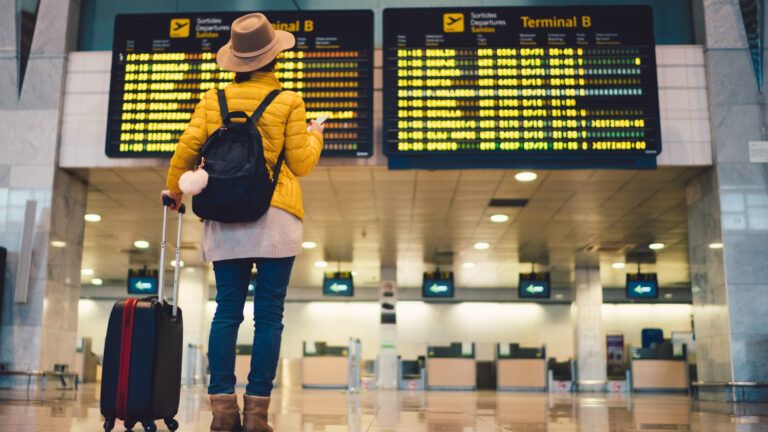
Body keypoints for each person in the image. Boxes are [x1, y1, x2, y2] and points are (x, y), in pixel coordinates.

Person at [162, 13, 323, 432]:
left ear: (235, 61)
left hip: (225, 215)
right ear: (274, 58)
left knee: (226, 312)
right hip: (275, 217)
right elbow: (301, 163)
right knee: (269, 315)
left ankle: (222, 413)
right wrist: (315, 134)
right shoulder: (288, 100)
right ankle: (256, 416)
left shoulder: (212, 100)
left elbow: (187, 147)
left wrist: (174, 192)